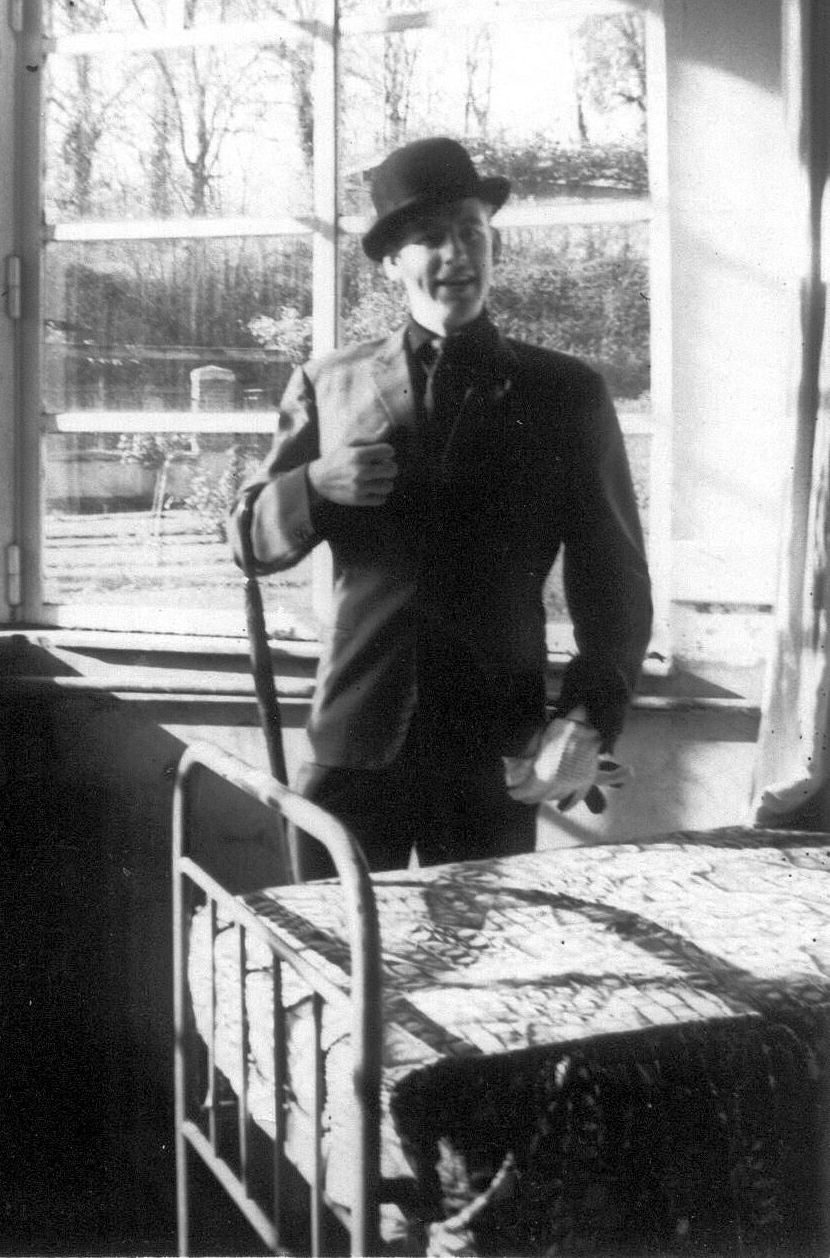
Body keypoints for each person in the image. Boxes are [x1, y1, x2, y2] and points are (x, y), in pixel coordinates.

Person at [231, 136, 652, 878]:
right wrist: (314, 485)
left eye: (471, 232)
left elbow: (614, 580)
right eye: (430, 236)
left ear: (494, 246)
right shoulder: (329, 383)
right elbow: (248, 544)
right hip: (355, 739)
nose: (457, 253)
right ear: (392, 261)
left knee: (483, 946)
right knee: (334, 941)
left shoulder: (565, 393)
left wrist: (583, 720)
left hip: (494, 750)